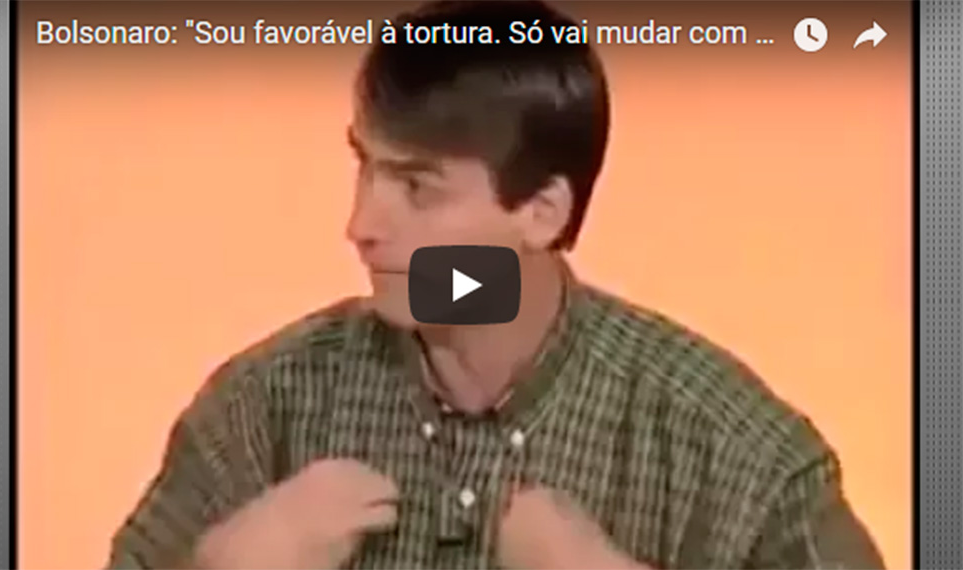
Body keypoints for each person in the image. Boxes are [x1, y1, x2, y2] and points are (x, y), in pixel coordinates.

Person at [106, 1, 886, 569]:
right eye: (365, 167)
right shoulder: (265, 406)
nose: (359, 225)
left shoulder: (727, 447)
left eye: (417, 187)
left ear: (541, 213)